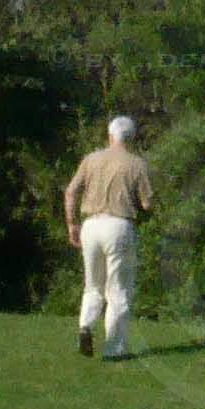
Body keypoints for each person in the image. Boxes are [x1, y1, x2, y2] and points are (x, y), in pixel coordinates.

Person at [64, 115, 151, 360]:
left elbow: (71, 192)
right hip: (119, 225)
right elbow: (147, 203)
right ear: (131, 138)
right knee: (118, 290)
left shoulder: (91, 159)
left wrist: (72, 223)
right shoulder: (137, 164)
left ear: (110, 136)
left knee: (93, 285)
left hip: (90, 225)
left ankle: (86, 326)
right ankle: (115, 349)